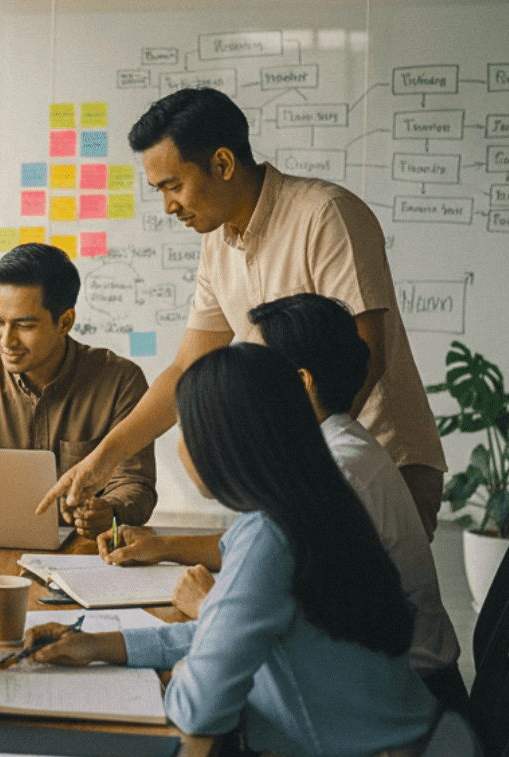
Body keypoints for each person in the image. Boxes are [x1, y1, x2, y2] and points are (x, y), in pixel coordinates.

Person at [28, 344, 437, 757]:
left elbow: (200, 709)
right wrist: (102, 645)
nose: (180, 446)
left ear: (221, 439)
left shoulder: (269, 535)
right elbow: (228, 630)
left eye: (185, 427)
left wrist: (179, 673)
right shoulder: (313, 500)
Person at [38, 88, 446, 538]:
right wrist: (102, 459)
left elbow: (367, 353)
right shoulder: (218, 243)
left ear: (224, 164)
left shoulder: (324, 215)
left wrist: (291, 474)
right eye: (159, 190)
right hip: (302, 471)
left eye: (174, 186)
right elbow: (185, 369)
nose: (168, 206)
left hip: (377, 459)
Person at [100, 293, 466, 709]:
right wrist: (164, 547)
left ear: (301, 382)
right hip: (379, 691)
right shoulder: (333, 448)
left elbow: (276, 620)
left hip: (398, 694)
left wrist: (209, 607)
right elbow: (269, 555)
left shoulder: (337, 472)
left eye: (257, 365)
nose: (241, 376)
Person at [0, 242, 155, 540]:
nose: (6, 340)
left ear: (65, 322)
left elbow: (134, 482)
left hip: (83, 547)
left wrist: (109, 510)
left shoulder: (120, 381)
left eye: (24, 325)